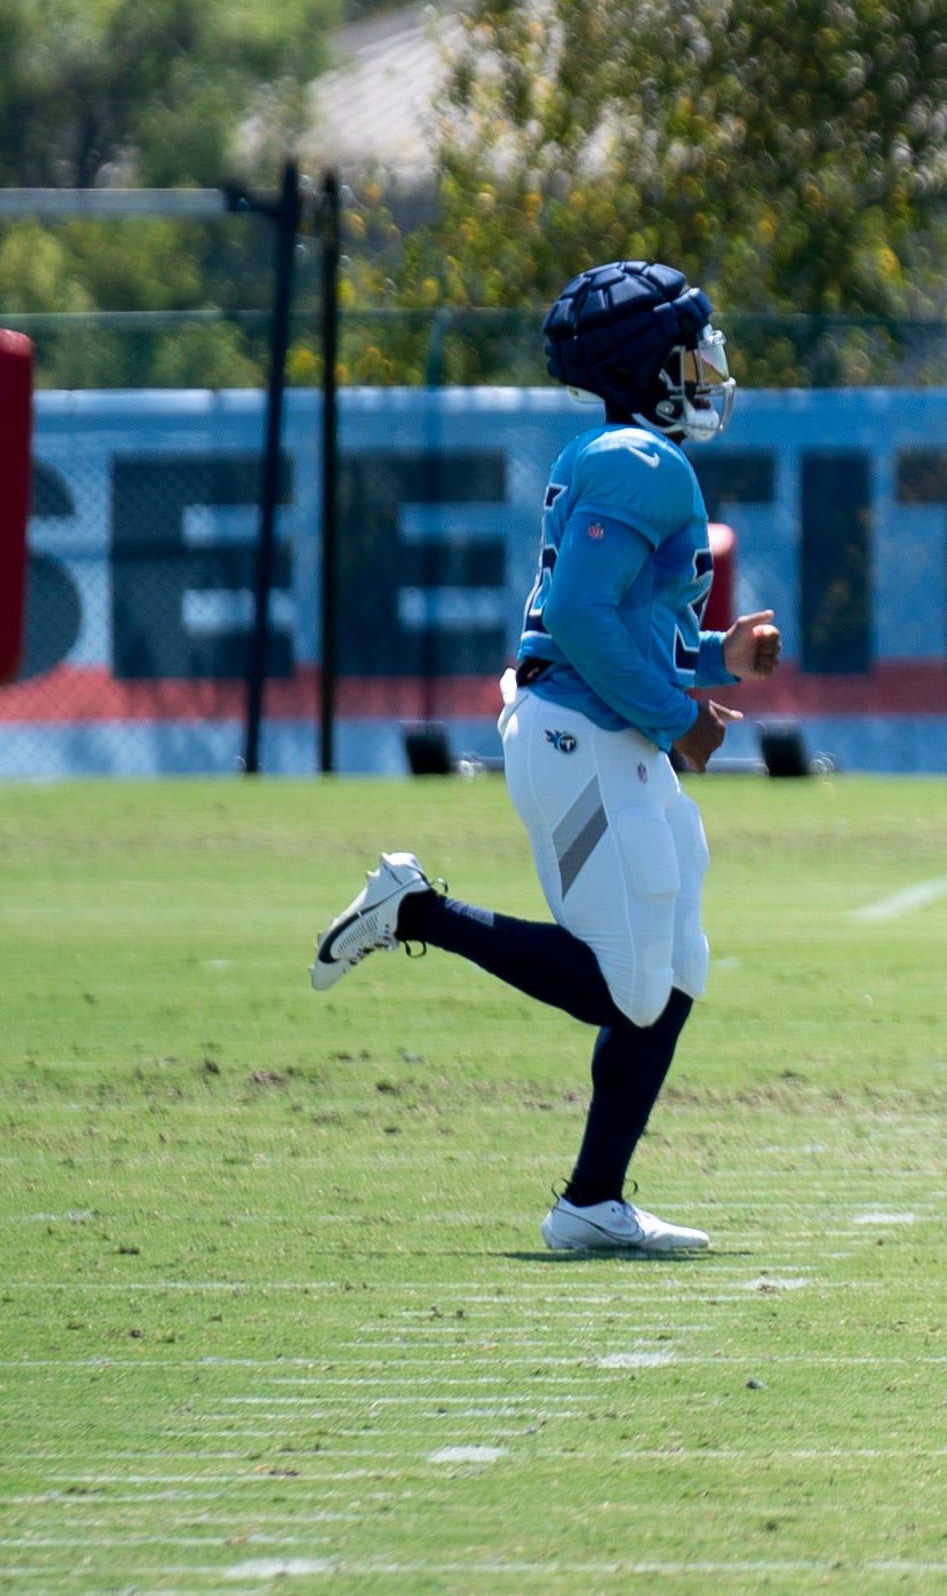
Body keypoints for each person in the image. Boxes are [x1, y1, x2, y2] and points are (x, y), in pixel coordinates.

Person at [309, 259, 769, 1258]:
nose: (710, 364)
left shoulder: (622, 456)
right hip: (581, 735)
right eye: (695, 347)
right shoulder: (642, 464)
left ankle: (592, 1201)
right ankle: (413, 907)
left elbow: (623, 623)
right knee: (627, 988)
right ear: (651, 364)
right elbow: (574, 619)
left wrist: (711, 657)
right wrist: (679, 716)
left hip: (602, 731)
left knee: (676, 967)